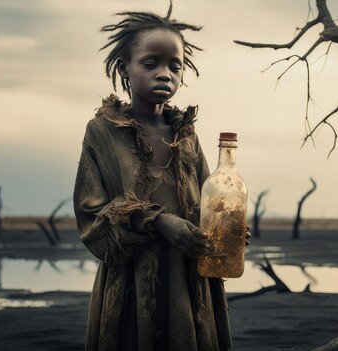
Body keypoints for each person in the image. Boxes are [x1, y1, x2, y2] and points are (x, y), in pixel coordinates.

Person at [73, 3, 241, 350]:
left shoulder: (186, 134)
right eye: (150, 63)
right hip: (132, 279)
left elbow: (212, 200)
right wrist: (159, 222)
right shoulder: (102, 132)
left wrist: (227, 228)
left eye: (174, 66)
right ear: (125, 68)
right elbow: (92, 216)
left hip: (190, 275)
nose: (164, 73)